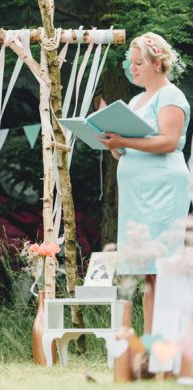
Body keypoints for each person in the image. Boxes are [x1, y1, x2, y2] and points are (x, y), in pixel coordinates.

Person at [98, 32, 190, 337]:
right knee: (147, 270)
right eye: (130, 62)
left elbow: (166, 141)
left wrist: (123, 140)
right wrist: (112, 140)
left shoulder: (171, 96)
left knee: (162, 267)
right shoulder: (137, 100)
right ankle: (152, 339)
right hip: (137, 194)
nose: (132, 68)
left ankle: (164, 341)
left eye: (138, 63)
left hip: (162, 189)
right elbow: (125, 148)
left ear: (157, 63)